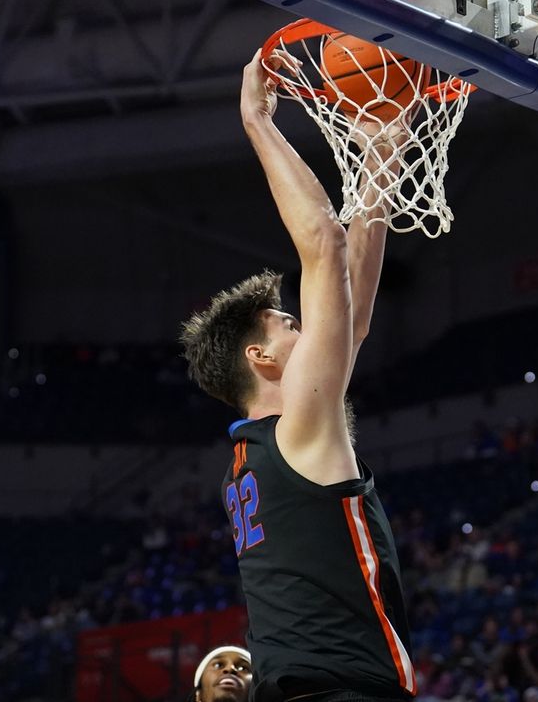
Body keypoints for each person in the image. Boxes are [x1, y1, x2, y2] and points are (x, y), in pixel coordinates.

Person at [180, 48, 414, 701]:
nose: (302, 327)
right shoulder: (298, 432)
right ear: (261, 357)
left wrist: (379, 159)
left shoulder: (255, 454)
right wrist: (257, 118)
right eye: (287, 323)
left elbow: (354, 316)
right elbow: (325, 245)